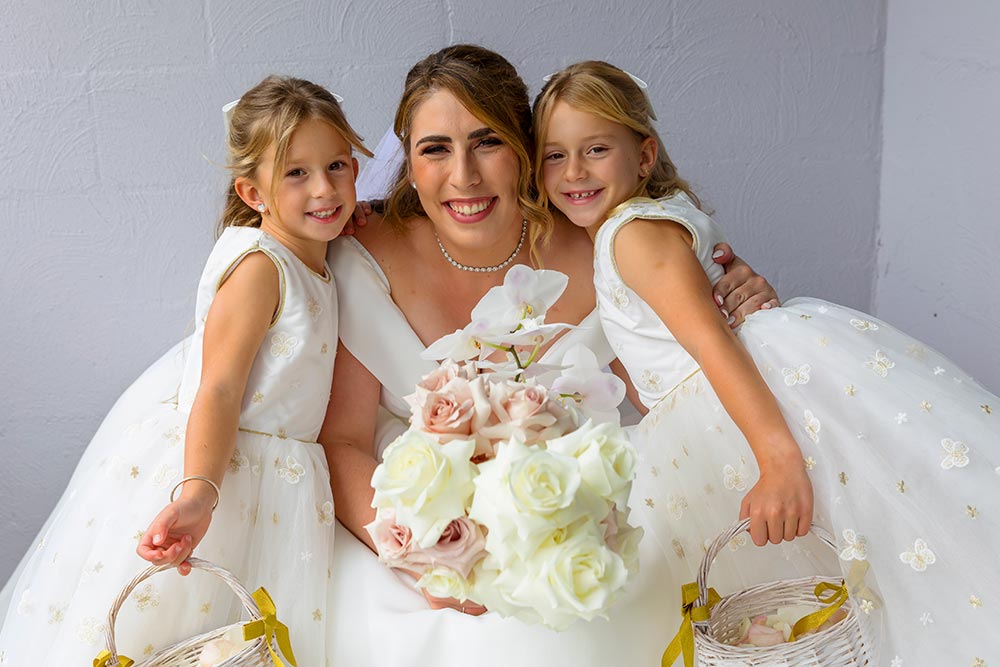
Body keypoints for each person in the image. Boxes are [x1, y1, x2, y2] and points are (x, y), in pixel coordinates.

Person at [319, 44, 782, 666]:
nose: (464, 177)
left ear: (526, 149)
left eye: (488, 143)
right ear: (408, 159)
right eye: (435, 149)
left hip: (578, 509)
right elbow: (343, 439)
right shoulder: (360, 252)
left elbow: (663, 390)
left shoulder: (603, 241)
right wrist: (425, 551)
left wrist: (737, 300)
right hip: (404, 517)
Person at [533, 60, 999, 663]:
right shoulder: (648, 216)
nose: (573, 172)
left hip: (734, 413)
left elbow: (711, 345)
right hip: (737, 396)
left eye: (595, 149)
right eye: (554, 155)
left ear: (644, 154)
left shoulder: (633, 235)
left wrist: (778, 461)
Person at [0, 75, 372, 665]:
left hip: (284, 484)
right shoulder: (260, 269)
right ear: (254, 194)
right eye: (296, 174)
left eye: (337, 167)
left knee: (242, 643)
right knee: (179, 636)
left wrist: (345, 219)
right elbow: (219, 388)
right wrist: (198, 493)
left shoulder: (314, 253)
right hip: (228, 472)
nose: (324, 188)